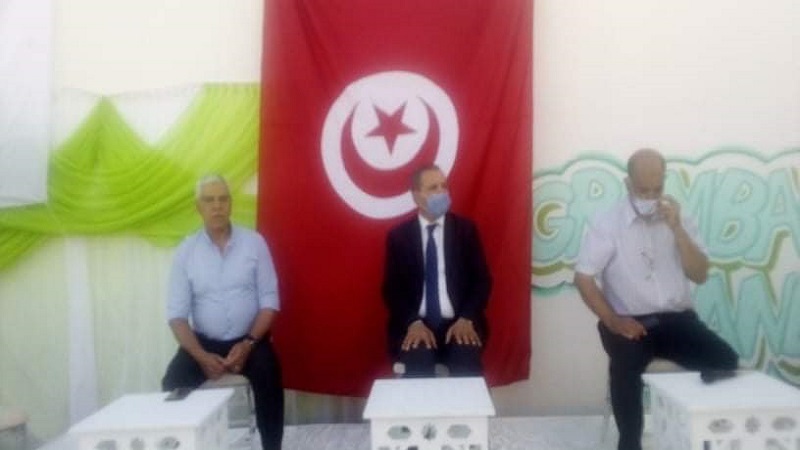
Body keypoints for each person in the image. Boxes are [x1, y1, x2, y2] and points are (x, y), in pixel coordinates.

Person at [574, 149, 738, 450]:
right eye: (643, 190)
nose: (650, 197)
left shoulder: (680, 218)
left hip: (676, 320)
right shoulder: (608, 222)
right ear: (627, 184)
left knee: (725, 360)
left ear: (664, 182)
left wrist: (677, 229)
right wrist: (613, 320)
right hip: (628, 322)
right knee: (625, 367)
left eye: (657, 189)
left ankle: (700, 432)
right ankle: (629, 443)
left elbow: (699, 274)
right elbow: (584, 278)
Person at [161, 174, 284, 450]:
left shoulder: (255, 243)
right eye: (209, 200)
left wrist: (248, 344)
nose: (216, 206)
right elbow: (177, 316)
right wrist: (201, 356)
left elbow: (270, 301)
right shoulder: (186, 252)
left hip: (250, 340)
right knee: (172, 383)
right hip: (203, 344)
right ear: (199, 207)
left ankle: (272, 447)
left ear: (230, 204)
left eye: (222, 199)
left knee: (269, 374)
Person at [382, 164, 492, 377]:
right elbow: (392, 290)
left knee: (466, 365)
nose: (441, 192)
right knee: (418, 366)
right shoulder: (399, 237)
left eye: (444, 186)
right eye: (433, 187)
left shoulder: (465, 231)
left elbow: (482, 281)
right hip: (416, 324)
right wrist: (412, 322)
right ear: (416, 196)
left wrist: (466, 318)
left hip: (459, 322)